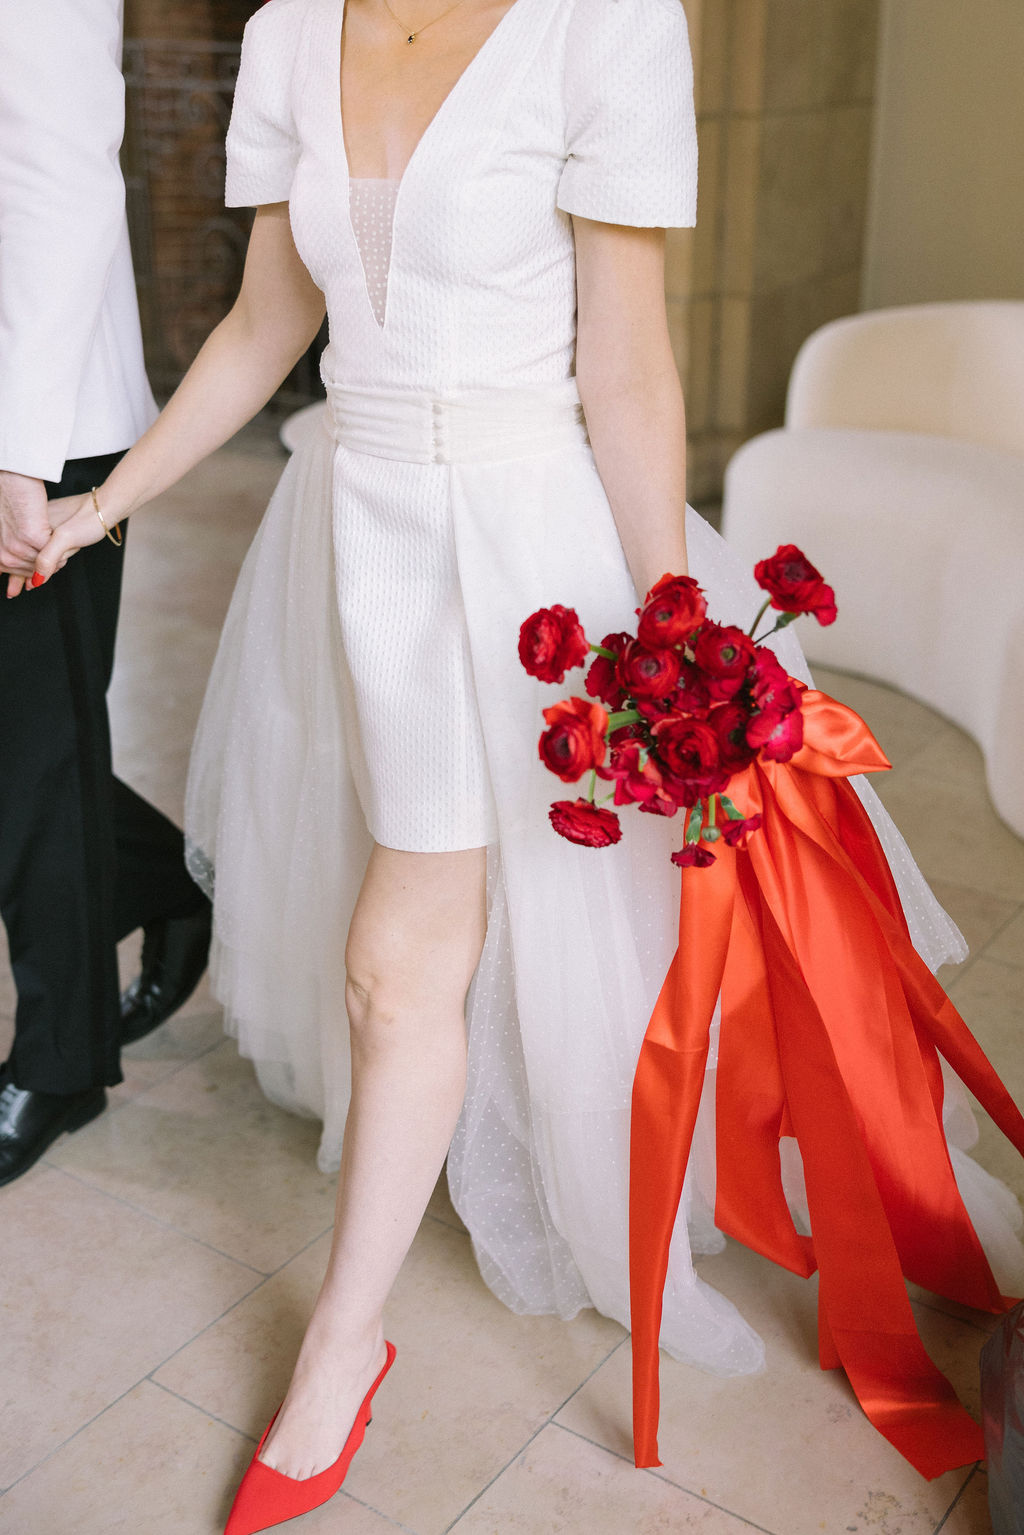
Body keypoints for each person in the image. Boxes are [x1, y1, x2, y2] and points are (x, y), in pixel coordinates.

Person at [31, 0, 1024, 1528]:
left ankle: (342, 1343)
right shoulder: (291, 29)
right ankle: (474, 1188)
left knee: (396, 961)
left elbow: (625, 364)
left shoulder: (602, 22)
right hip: (357, 532)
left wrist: (677, 637)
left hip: (528, 554)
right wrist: (102, 510)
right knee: (470, 946)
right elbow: (264, 324)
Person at [0, 0, 212, 1188]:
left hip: (40, 425)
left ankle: (61, 1059)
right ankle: (159, 875)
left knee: (33, 747)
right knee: (31, 751)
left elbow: (60, 180)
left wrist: (17, 449)